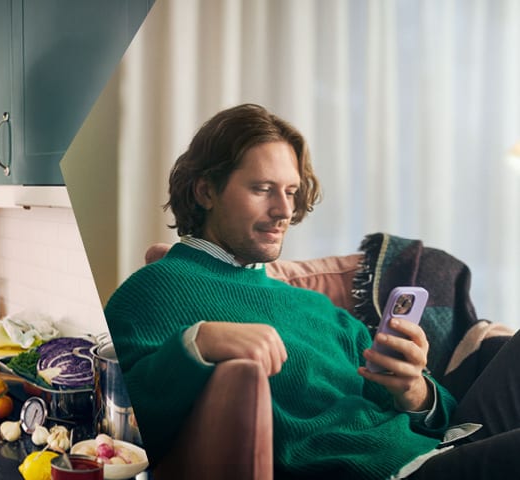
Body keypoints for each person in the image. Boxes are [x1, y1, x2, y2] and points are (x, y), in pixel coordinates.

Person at [104, 103, 520, 479]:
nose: (285, 211)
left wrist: (416, 390)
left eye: (289, 191)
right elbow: (122, 430)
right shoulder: (154, 291)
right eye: (262, 189)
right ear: (206, 191)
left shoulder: (316, 308)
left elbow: (441, 415)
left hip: (444, 447)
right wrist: (197, 343)